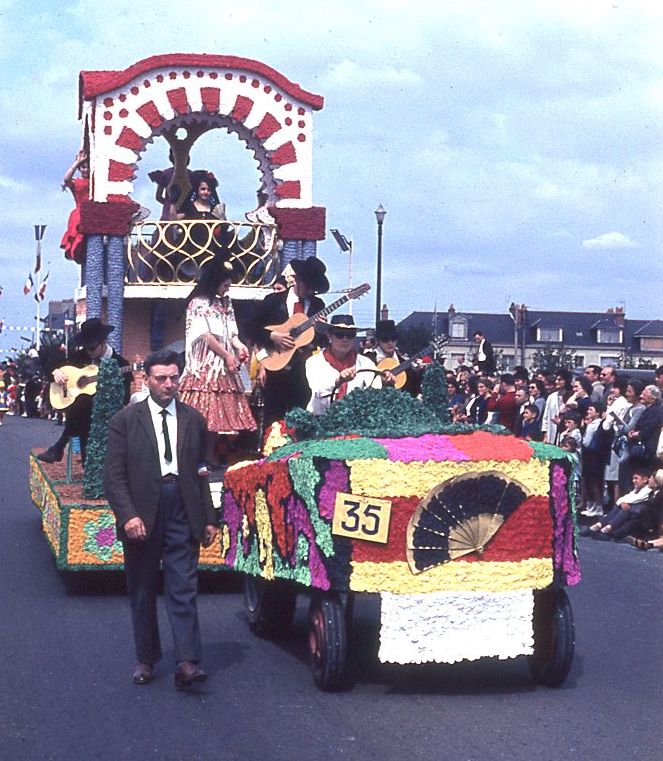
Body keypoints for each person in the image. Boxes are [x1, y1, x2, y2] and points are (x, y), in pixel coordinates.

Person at [104, 349, 218, 688]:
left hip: (182, 507)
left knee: (183, 585)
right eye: (161, 379)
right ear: (147, 380)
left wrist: (209, 517)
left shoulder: (193, 419)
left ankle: (187, 660)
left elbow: (201, 471)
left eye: (173, 378)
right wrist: (128, 516)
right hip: (142, 512)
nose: (168, 384)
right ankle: (146, 658)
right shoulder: (125, 421)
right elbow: (114, 476)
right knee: (142, 588)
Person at [178, 256, 256, 469]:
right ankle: (194, 458)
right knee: (201, 416)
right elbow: (204, 335)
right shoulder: (198, 303)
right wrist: (226, 355)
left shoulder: (226, 303)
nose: (228, 287)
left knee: (215, 419)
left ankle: (210, 457)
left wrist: (239, 347)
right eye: (225, 283)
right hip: (205, 367)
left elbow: (232, 332)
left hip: (223, 366)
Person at [247, 256, 329, 426]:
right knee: (273, 420)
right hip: (275, 368)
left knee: (300, 418)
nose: (310, 291)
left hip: (302, 370)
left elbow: (320, 340)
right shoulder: (273, 301)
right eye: (308, 285)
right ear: (297, 280)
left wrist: (322, 329)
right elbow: (251, 328)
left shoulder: (318, 305)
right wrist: (272, 336)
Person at [37, 319, 132, 463]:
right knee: (82, 405)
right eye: (86, 348)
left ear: (103, 342)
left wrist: (106, 388)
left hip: (105, 414)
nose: (89, 352)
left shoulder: (120, 364)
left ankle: (59, 446)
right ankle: (66, 452)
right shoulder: (80, 356)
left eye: (92, 348)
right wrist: (55, 371)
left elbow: (124, 398)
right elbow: (53, 364)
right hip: (82, 416)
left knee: (83, 406)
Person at [306, 315, 381, 416]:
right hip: (319, 421)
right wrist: (338, 381)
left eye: (350, 335)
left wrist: (386, 383)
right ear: (329, 335)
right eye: (340, 334)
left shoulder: (366, 363)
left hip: (355, 423)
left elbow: (376, 393)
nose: (345, 339)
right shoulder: (314, 362)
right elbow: (317, 391)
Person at [581, 467, 652, 540]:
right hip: (630, 510)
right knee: (620, 506)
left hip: (638, 515)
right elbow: (621, 499)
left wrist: (623, 502)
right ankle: (597, 526)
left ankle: (606, 530)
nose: (633, 481)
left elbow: (636, 499)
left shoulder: (648, 490)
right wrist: (622, 502)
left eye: (636, 478)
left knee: (625, 509)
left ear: (645, 480)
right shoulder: (636, 490)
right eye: (633, 479)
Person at [364, 319, 422, 396]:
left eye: (393, 338)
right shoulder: (368, 359)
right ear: (378, 341)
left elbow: (414, 390)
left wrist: (418, 372)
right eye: (385, 339)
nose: (390, 343)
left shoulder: (404, 361)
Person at [60, 150, 89, 264]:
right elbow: (66, 179)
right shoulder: (76, 182)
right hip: (80, 214)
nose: (85, 170)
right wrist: (77, 162)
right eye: (83, 167)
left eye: (87, 167)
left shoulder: (95, 181)